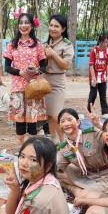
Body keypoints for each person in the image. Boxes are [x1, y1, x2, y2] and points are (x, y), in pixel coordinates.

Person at [4, 13, 47, 144]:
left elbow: (44, 65)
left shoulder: (38, 44)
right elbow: (7, 67)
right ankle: (22, 147)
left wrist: (37, 70)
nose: (23, 25)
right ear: (18, 26)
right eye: (21, 23)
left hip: (34, 87)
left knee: (33, 121)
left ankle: (32, 148)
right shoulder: (12, 44)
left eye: (26, 22)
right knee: (19, 121)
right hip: (17, 87)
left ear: (32, 26)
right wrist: (21, 73)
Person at [73, 114, 108, 208]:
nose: (107, 133)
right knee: (83, 196)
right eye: (105, 131)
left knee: (89, 206)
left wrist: (84, 200)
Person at [56, 108, 108, 199]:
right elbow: (56, 166)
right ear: (60, 126)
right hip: (86, 175)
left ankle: (77, 190)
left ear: (78, 122)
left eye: (69, 120)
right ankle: (77, 189)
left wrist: (98, 124)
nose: (66, 124)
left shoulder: (92, 133)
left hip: (106, 175)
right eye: (62, 121)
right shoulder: (64, 147)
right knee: (53, 173)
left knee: (87, 196)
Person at [43, 14, 74, 143]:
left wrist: (53, 54)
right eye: (51, 25)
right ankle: (54, 140)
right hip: (45, 81)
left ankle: (63, 142)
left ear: (63, 29)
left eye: (57, 26)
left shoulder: (67, 45)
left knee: (57, 115)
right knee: (49, 115)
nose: (53, 28)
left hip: (58, 81)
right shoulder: (45, 44)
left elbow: (66, 65)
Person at [87, 34, 108, 117]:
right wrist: (93, 78)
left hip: (103, 77)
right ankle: (89, 111)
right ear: (100, 42)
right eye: (105, 42)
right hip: (94, 77)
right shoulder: (93, 51)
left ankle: (105, 112)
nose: (106, 44)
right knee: (93, 95)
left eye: (107, 42)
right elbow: (91, 65)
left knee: (103, 95)